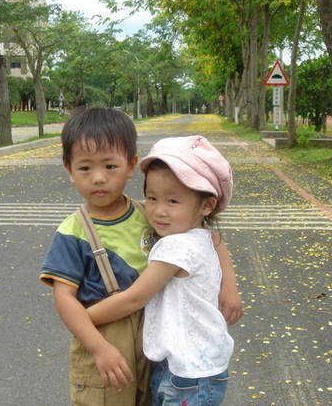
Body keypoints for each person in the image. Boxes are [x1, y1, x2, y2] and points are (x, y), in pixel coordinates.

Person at [39, 108, 242, 405]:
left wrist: (229, 286)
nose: (98, 178)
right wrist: (97, 347)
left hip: (152, 331)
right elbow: (64, 298)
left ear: (132, 165)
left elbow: (209, 237)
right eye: (85, 168)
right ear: (69, 170)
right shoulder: (73, 233)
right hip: (106, 334)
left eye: (110, 166)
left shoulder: (150, 212)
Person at [87, 135, 236, 405]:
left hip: (189, 377)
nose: (158, 211)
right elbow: (216, 239)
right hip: (190, 367)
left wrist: (85, 319)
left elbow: (135, 297)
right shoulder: (199, 234)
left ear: (206, 205)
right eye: (152, 198)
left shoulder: (176, 247)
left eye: (172, 201)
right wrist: (231, 288)